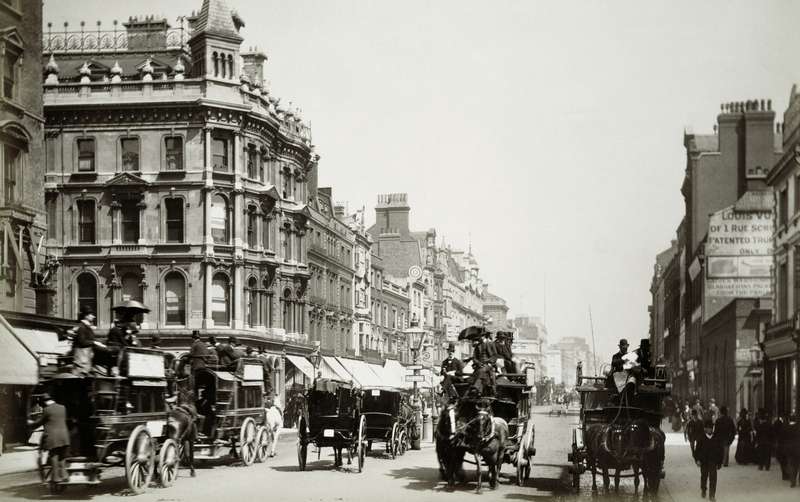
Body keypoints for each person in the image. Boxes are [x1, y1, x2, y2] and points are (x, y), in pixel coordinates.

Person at [28, 394, 70, 483]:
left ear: (44, 402)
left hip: (53, 438)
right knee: (62, 457)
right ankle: (65, 475)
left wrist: (31, 423)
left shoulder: (47, 410)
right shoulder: (62, 407)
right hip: (64, 437)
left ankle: (56, 478)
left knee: (54, 456)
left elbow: (40, 422)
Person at [694, 419, 724, 501]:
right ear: (705, 429)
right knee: (704, 476)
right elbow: (696, 451)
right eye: (708, 428)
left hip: (713, 461)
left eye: (711, 428)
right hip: (703, 461)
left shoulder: (716, 438)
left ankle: (712, 495)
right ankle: (703, 489)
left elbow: (720, 451)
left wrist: (720, 462)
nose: (710, 430)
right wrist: (697, 460)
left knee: (713, 477)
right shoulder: (701, 438)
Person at [70, 306, 104, 375]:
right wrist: (94, 342)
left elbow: (90, 339)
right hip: (81, 358)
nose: (93, 317)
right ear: (86, 316)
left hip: (86, 358)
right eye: (91, 315)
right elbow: (82, 342)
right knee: (80, 377)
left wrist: (99, 342)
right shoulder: (81, 327)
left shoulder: (87, 327)